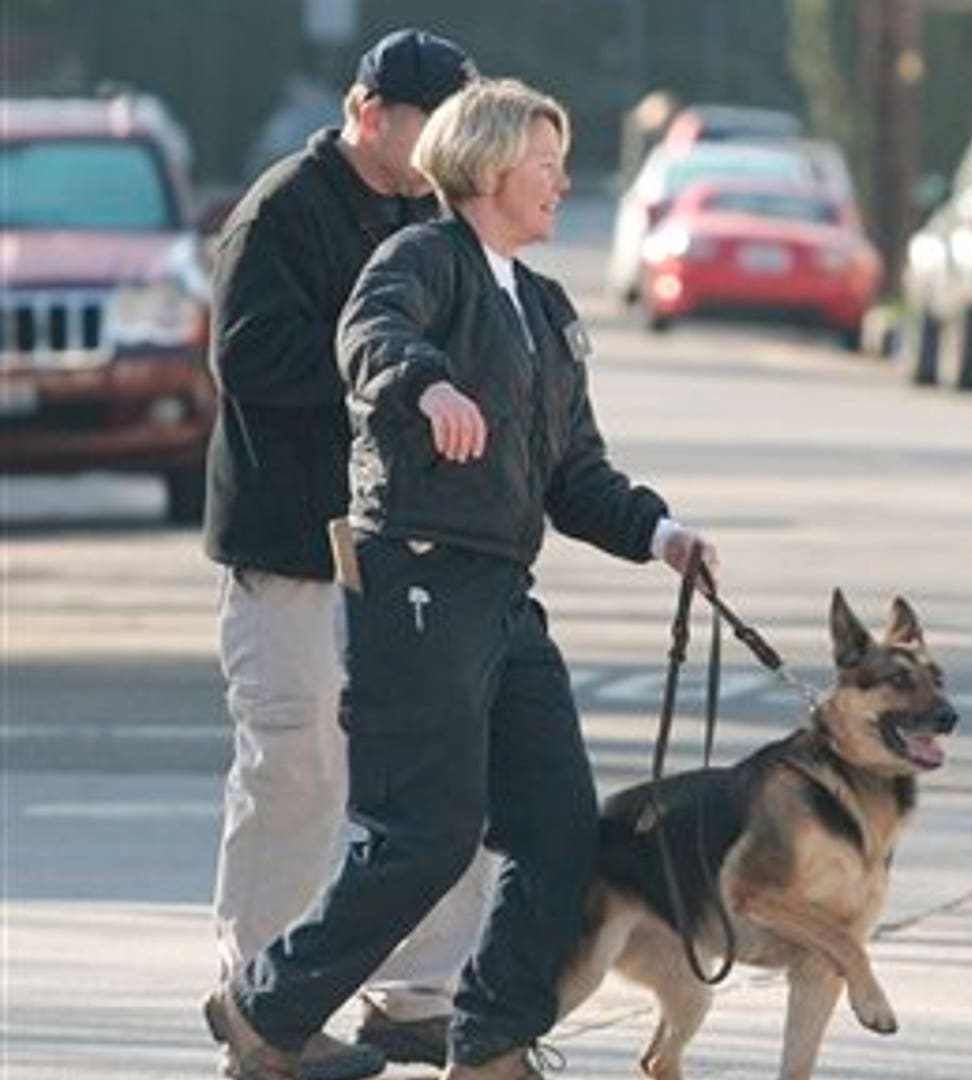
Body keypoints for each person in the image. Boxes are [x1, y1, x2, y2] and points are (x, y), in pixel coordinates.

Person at [204, 77, 716, 1080]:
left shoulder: (545, 307)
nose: (562, 183)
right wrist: (427, 381)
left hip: (503, 597)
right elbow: (368, 337)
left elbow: (575, 473)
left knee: (560, 831)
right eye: (544, 165)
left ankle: (488, 1039)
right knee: (426, 837)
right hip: (419, 584)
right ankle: (266, 1012)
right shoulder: (419, 260)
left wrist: (660, 533)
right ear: (487, 170)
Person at [202, 28, 490, 1078]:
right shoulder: (283, 210)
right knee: (296, 773)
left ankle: (421, 997)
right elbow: (246, 357)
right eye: (433, 125)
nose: (449, 148)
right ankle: (263, 1003)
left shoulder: (431, 213)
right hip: (291, 545)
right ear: (368, 112)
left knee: (434, 768)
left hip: (400, 546)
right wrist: (391, 369)